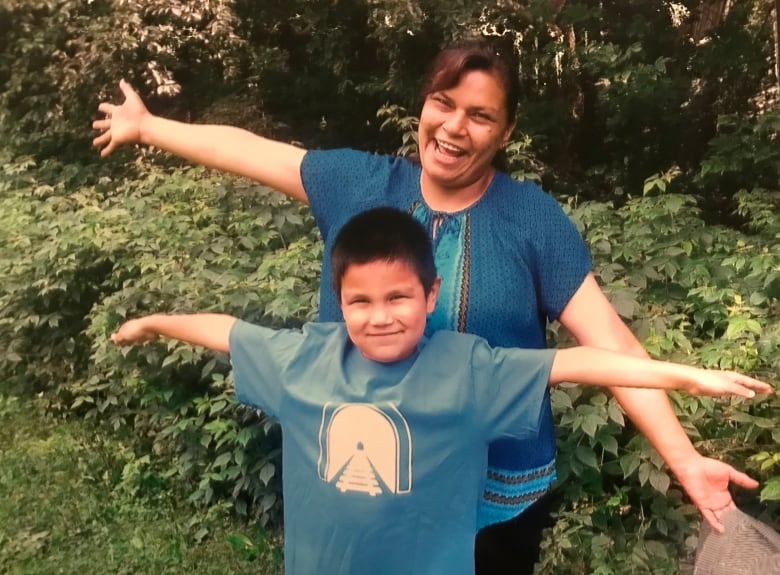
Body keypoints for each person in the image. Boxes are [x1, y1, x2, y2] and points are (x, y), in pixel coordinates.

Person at [93, 37, 765, 573]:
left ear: (504, 132)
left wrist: (684, 458)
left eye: (480, 115)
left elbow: (609, 343)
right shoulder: (358, 184)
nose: (454, 127)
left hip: (495, 499)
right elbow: (248, 150)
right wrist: (150, 127)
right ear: (422, 104)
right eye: (444, 103)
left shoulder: (531, 220)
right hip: (368, 483)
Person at [111, 208, 770, 575]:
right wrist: (155, 322)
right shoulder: (304, 357)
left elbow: (582, 364)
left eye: (399, 295)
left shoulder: (468, 368)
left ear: (429, 295)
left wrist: (687, 375)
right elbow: (227, 330)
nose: (381, 313)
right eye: (360, 300)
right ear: (338, 303)